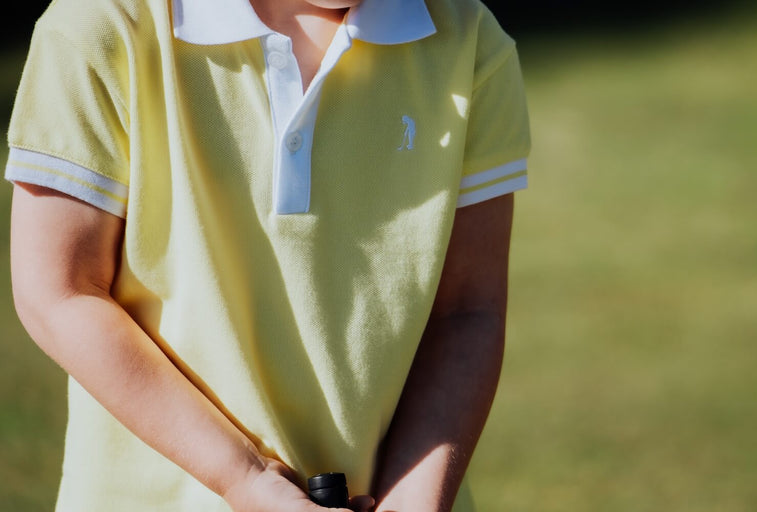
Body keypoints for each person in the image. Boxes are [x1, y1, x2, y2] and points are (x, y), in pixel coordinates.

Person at [6, 0, 530, 510]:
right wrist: (242, 476)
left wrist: (414, 499)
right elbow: (59, 290)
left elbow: (467, 309)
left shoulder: (468, 40)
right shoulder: (102, 24)